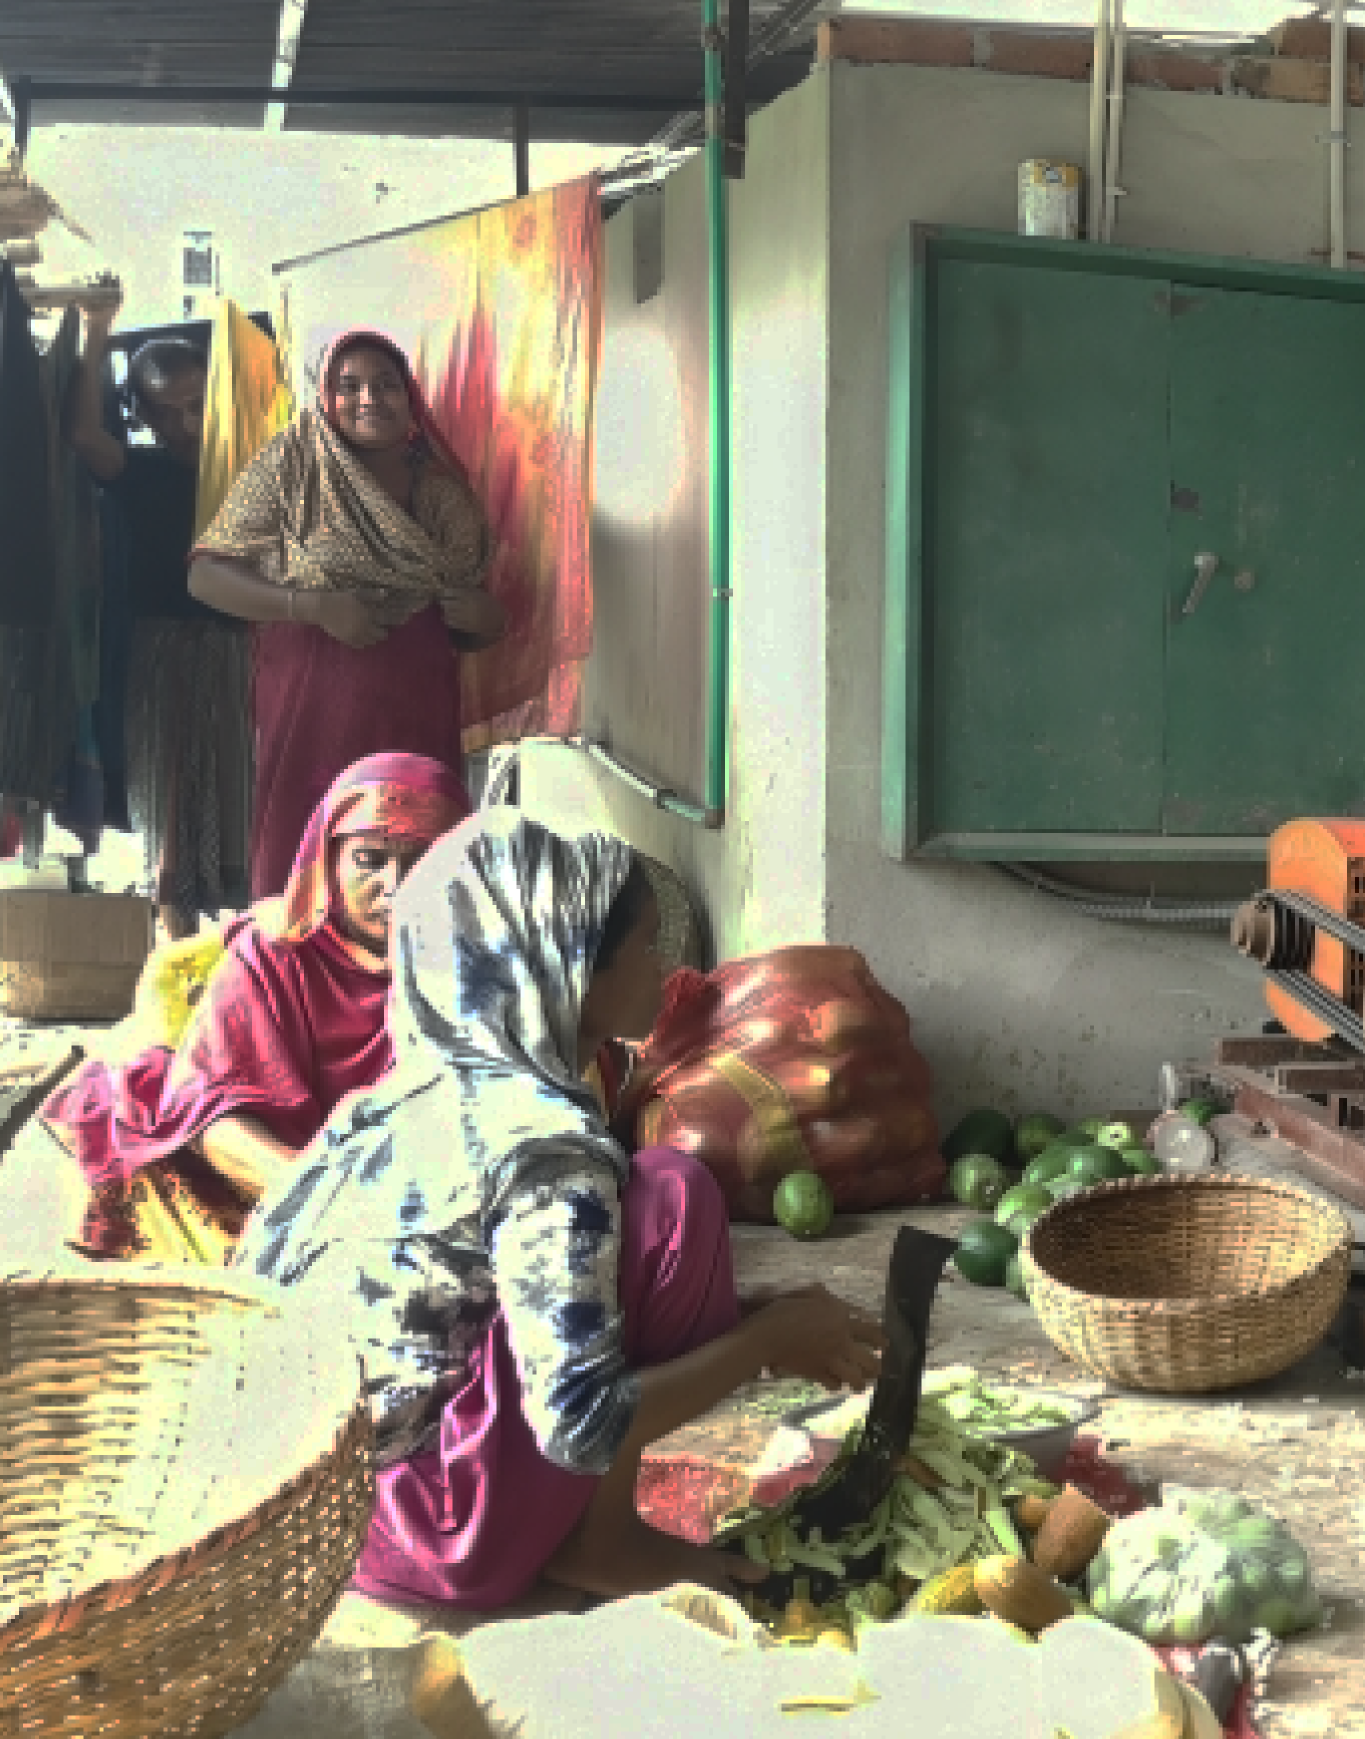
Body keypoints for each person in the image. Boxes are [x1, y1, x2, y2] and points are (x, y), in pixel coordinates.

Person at [238, 811, 885, 1612]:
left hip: (315, 1507)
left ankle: (576, 1526)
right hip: (437, 1531)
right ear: (570, 970)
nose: (664, 968)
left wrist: (764, 1315)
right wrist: (764, 1342)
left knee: (629, 1219)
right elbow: (580, 1423)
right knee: (671, 1199)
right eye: (645, 948)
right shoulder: (546, 1149)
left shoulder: (390, 1104)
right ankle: (602, 1545)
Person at [44, 754, 471, 1268]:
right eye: (370, 860)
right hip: (276, 1180)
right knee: (150, 1177)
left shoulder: (482, 966)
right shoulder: (272, 954)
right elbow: (214, 1123)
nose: (395, 886)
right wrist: (339, 1205)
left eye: (422, 862)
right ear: (329, 857)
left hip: (412, 1198)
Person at [191, 329, 506, 905]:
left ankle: (402, 990)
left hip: (415, 703)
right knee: (307, 853)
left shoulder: (440, 490)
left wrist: (487, 618)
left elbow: (475, 616)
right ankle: (299, 985)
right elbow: (205, 577)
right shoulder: (292, 467)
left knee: (415, 856)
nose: (370, 399)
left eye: (387, 385)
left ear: (410, 398)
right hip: (312, 703)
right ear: (325, 398)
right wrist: (308, 605)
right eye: (349, 386)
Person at [71, 283, 249, 940]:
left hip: (239, 653)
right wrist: (98, 329)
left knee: (240, 806)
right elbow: (86, 435)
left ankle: (242, 971)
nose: (184, 423)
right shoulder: (137, 471)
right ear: (141, 413)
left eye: (196, 405)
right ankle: (176, 961)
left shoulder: (247, 467)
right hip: (160, 656)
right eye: (164, 410)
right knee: (169, 813)